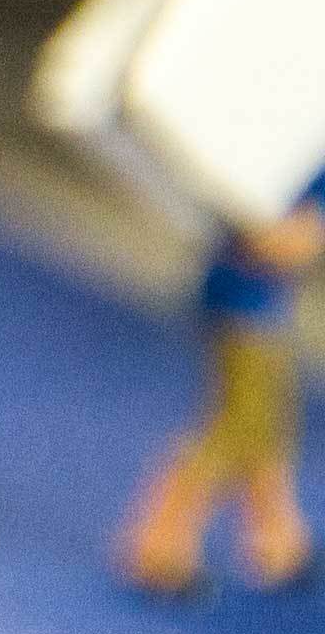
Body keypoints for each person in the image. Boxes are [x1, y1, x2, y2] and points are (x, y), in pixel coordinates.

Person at [124, 187, 322, 594]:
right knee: (239, 426)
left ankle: (280, 543)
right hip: (245, 307)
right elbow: (278, 240)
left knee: (269, 425)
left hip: (258, 305)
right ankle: (158, 545)